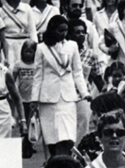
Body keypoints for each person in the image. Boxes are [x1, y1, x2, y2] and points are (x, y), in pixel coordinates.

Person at [34, 14, 88, 158]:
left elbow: (78, 72)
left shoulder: (72, 46)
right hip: (48, 98)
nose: (63, 34)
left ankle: (65, 163)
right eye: (60, 31)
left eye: (65, 31)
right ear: (52, 30)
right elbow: (38, 75)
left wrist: (84, 93)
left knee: (67, 136)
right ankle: (53, 164)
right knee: (52, 137)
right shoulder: (41, 48)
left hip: (68, 97)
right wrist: (34, 99)